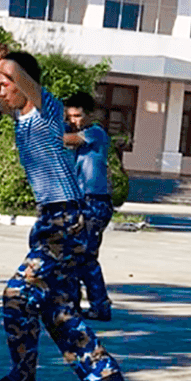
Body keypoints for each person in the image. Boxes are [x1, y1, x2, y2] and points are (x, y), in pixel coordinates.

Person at [0, 44, 125, 381]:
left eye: (5, 82)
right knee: (56, 307)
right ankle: (104, 376)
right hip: (50, 220)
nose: (1, 88)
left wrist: (5, 58)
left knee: (17, 293)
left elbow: (18, 75)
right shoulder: (18, 118)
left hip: (68, 218)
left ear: (21, 82)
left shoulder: (48, 109)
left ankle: (24, 374)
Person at [61, 92, 115, 322]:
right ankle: (77, 303)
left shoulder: (95, 133)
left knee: (86, 256)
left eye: (78, 115)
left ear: (89, 115)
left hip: (96, 202)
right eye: (70, 116)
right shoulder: (74, 139)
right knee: (75, 255)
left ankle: (100, 305)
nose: (75, 120)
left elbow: (69, 140)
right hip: (80, 203)